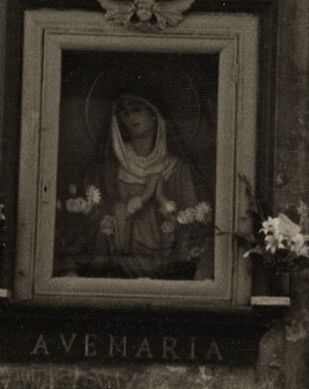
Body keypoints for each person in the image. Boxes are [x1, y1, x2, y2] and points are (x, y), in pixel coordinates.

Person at [59, 90, 212, 280]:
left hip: (169, 268)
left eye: (137, 109)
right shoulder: (106, 169)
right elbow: (93, 219)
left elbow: (196, 224)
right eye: (124, 112)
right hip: (117, 267)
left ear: (155, 115)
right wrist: (143, 197)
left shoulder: (178, 170)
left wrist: (166, 208)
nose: (130, 117)